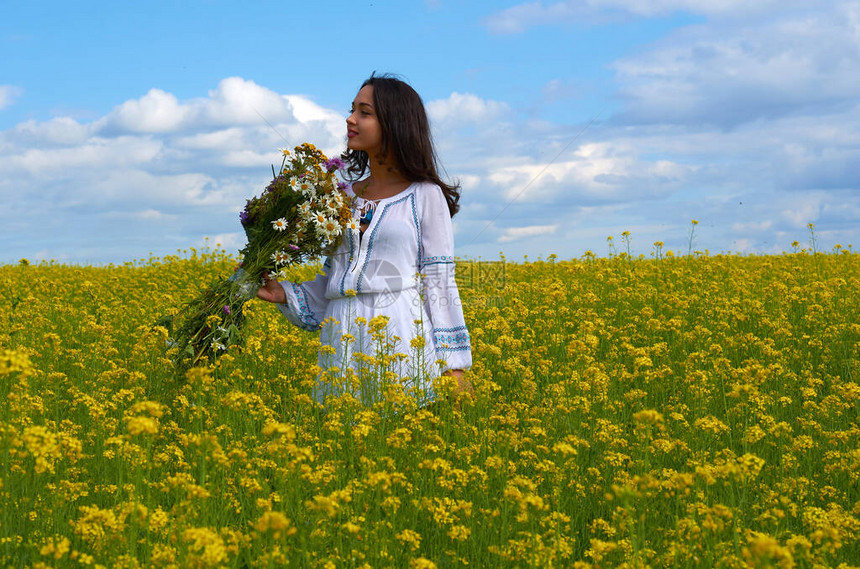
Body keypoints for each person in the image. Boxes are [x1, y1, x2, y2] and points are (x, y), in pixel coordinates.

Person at [255, 73, 472, 406]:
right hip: (340, 334)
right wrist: (283, 293)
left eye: (364, 112)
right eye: (352, 109)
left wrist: (454, 367)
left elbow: (440, 283)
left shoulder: (425, 196)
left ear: (394, 123)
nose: (350, 119)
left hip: (402, 332)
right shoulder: (339, 197)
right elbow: (337, 277)